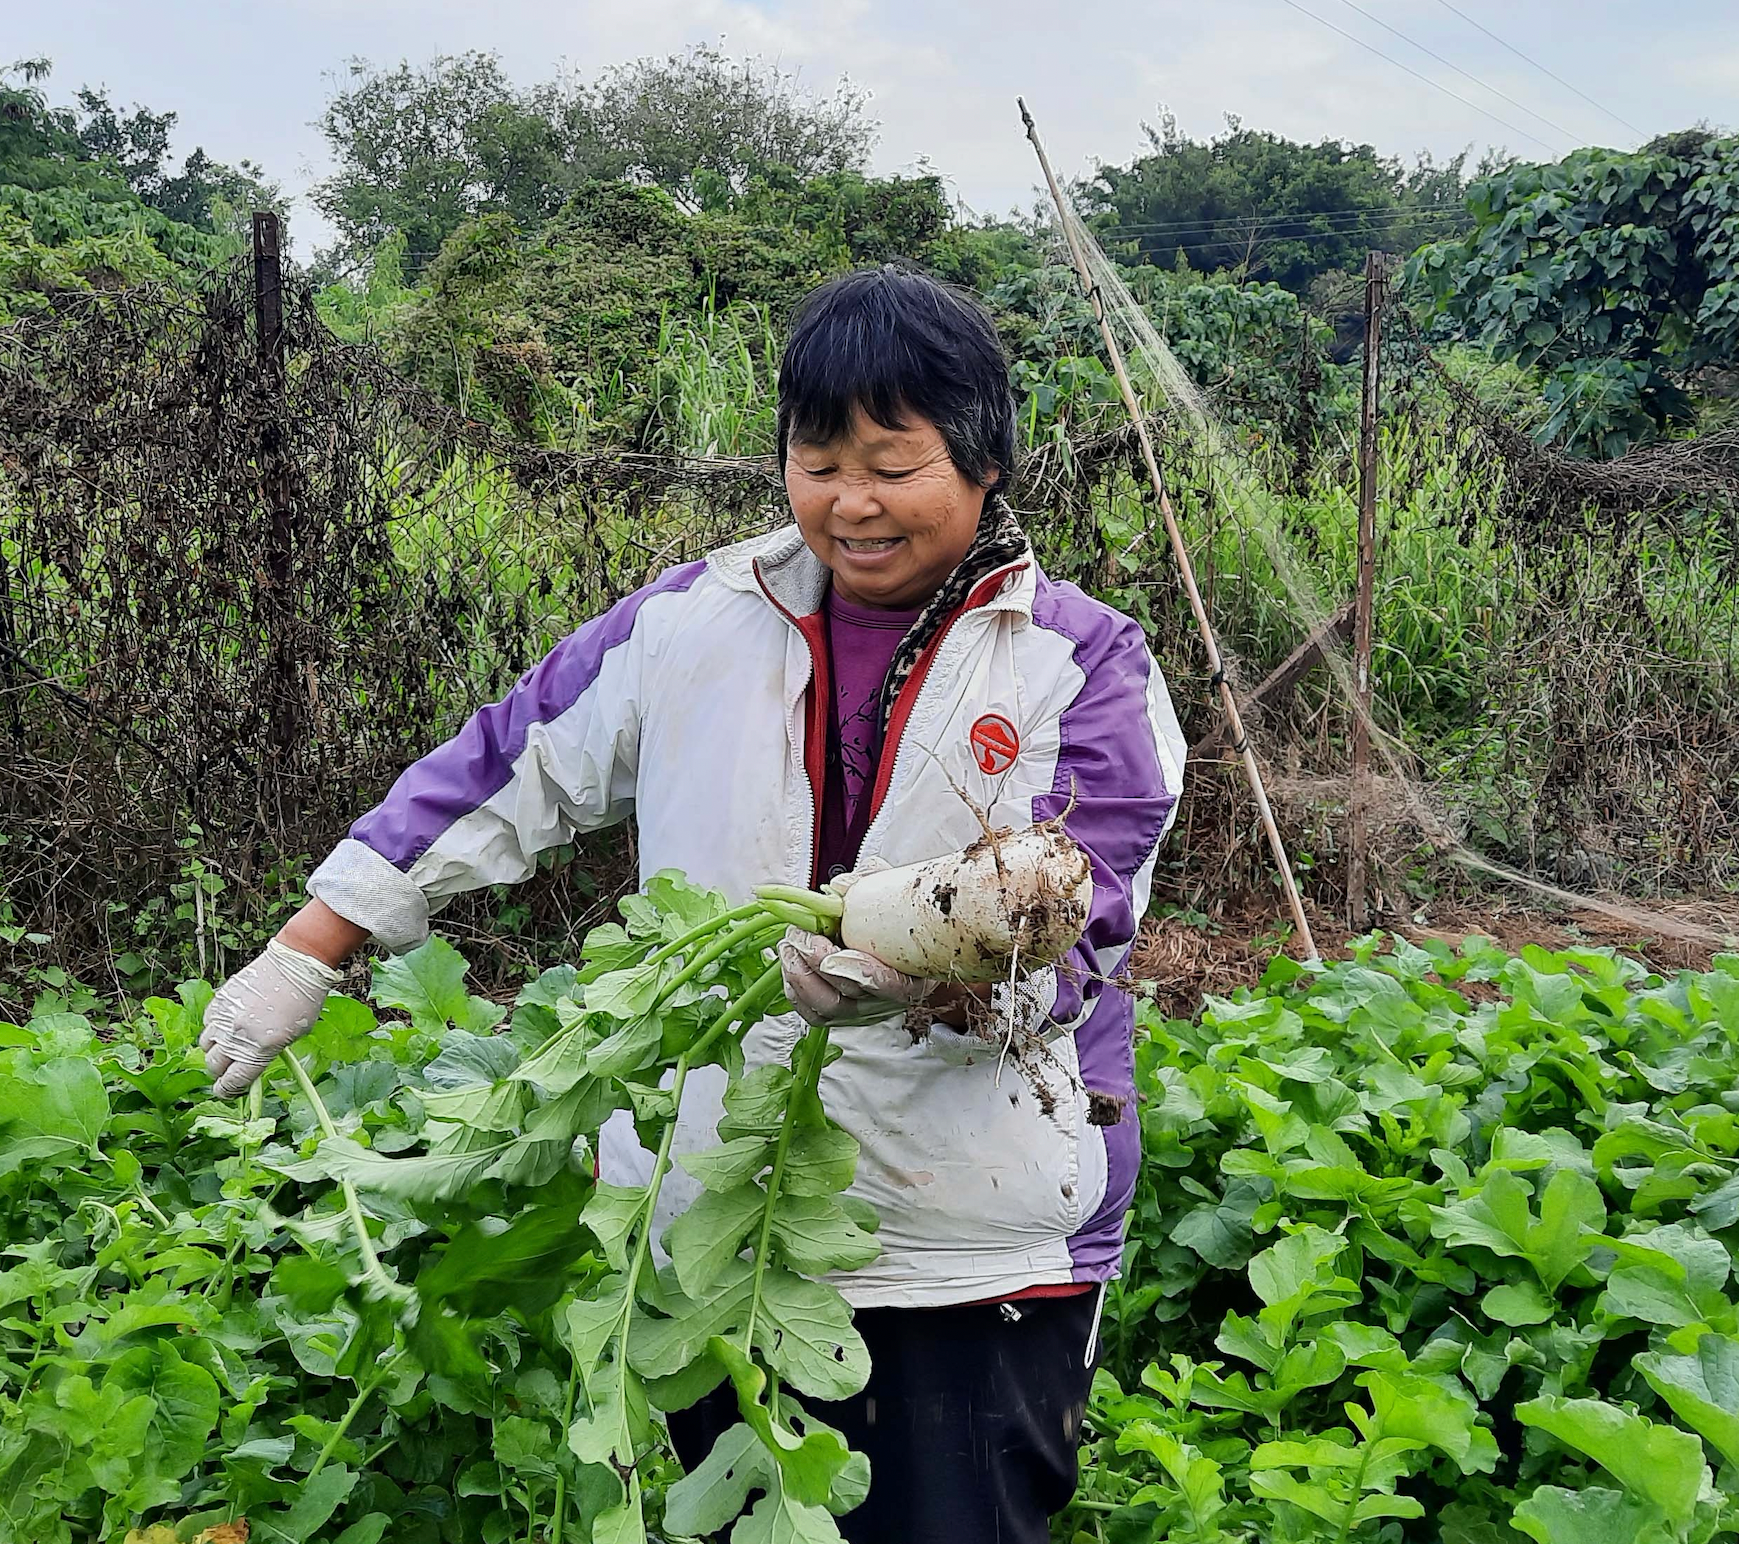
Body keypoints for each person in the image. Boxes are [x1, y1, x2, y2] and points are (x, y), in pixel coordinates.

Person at [193, 265, 1186, 1544]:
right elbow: (508, 765)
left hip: (972, 1235)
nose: (852, 501)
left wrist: (926, 969)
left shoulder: (1084, 659)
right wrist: (310, 946)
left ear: (985, 461)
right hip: (714, 1212)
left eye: (896, 461)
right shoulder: (692, 620)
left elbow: (1085, 901)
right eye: (818, 458)